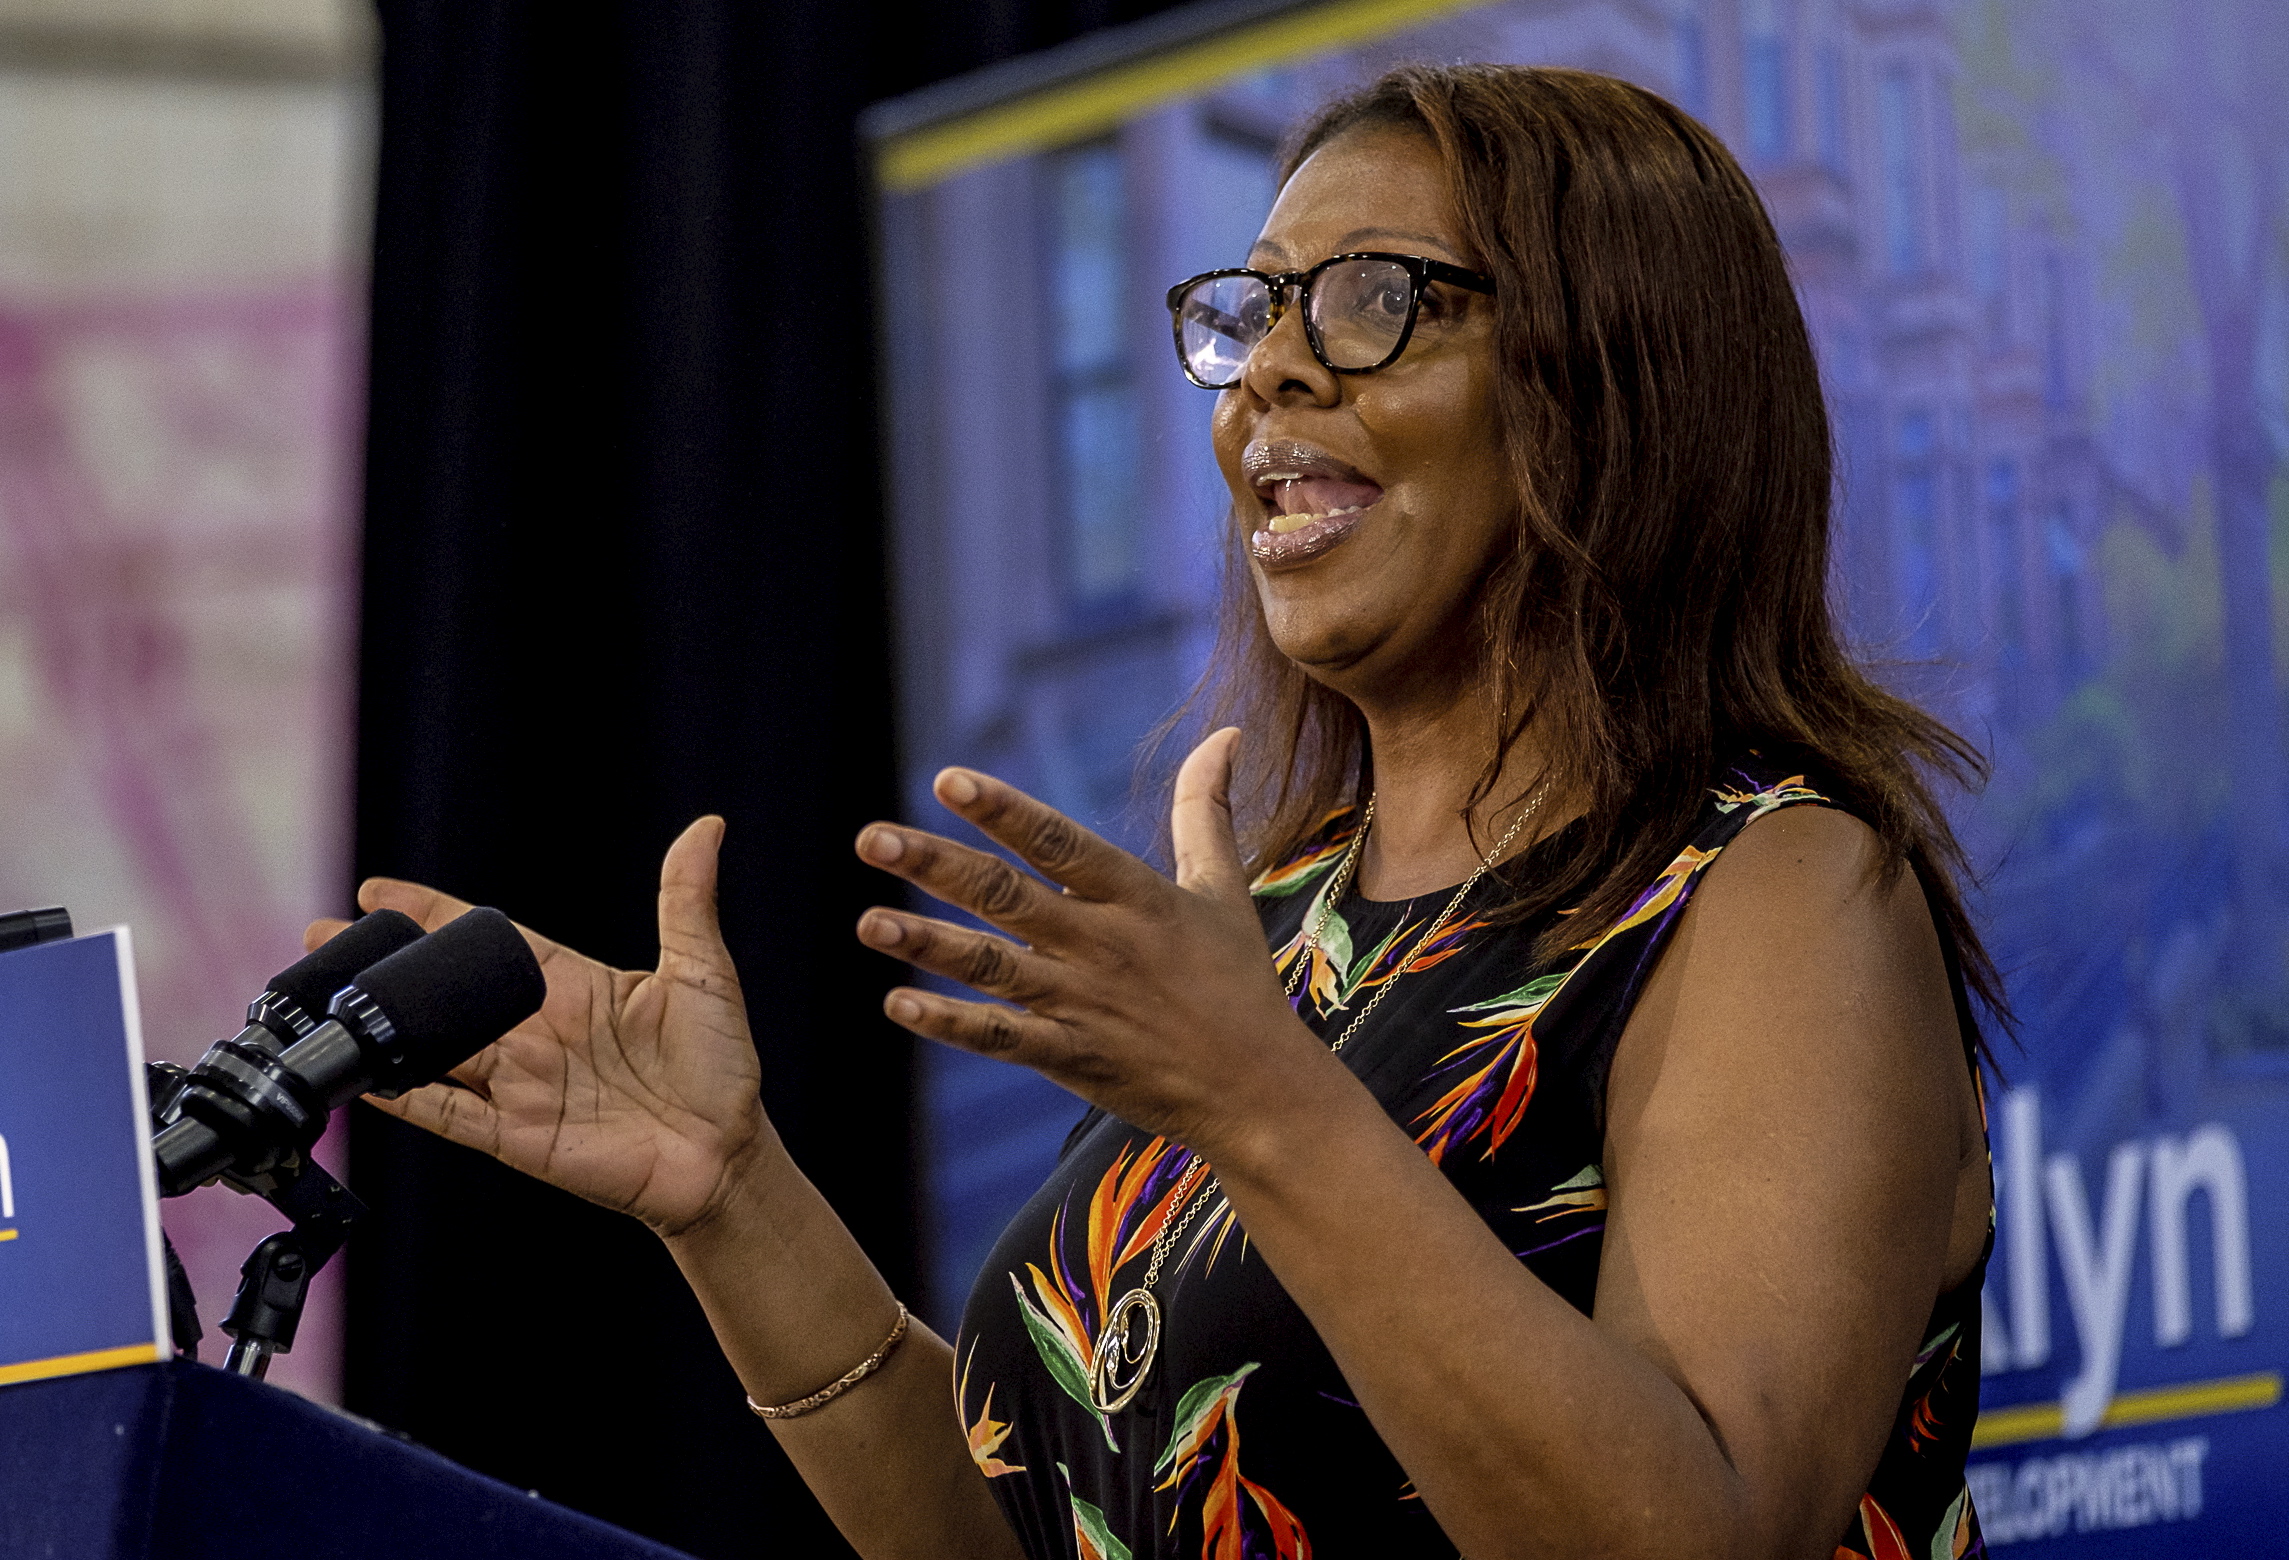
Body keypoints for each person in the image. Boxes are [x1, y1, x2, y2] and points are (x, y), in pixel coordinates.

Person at [317, 63, 1999, 1560]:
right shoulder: (1270, 931)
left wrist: (1260, 1096)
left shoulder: (1775, 886)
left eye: (1365, 303)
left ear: (1616, 377)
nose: (1266, 374)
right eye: (1248, 313)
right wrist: (730, 1196)